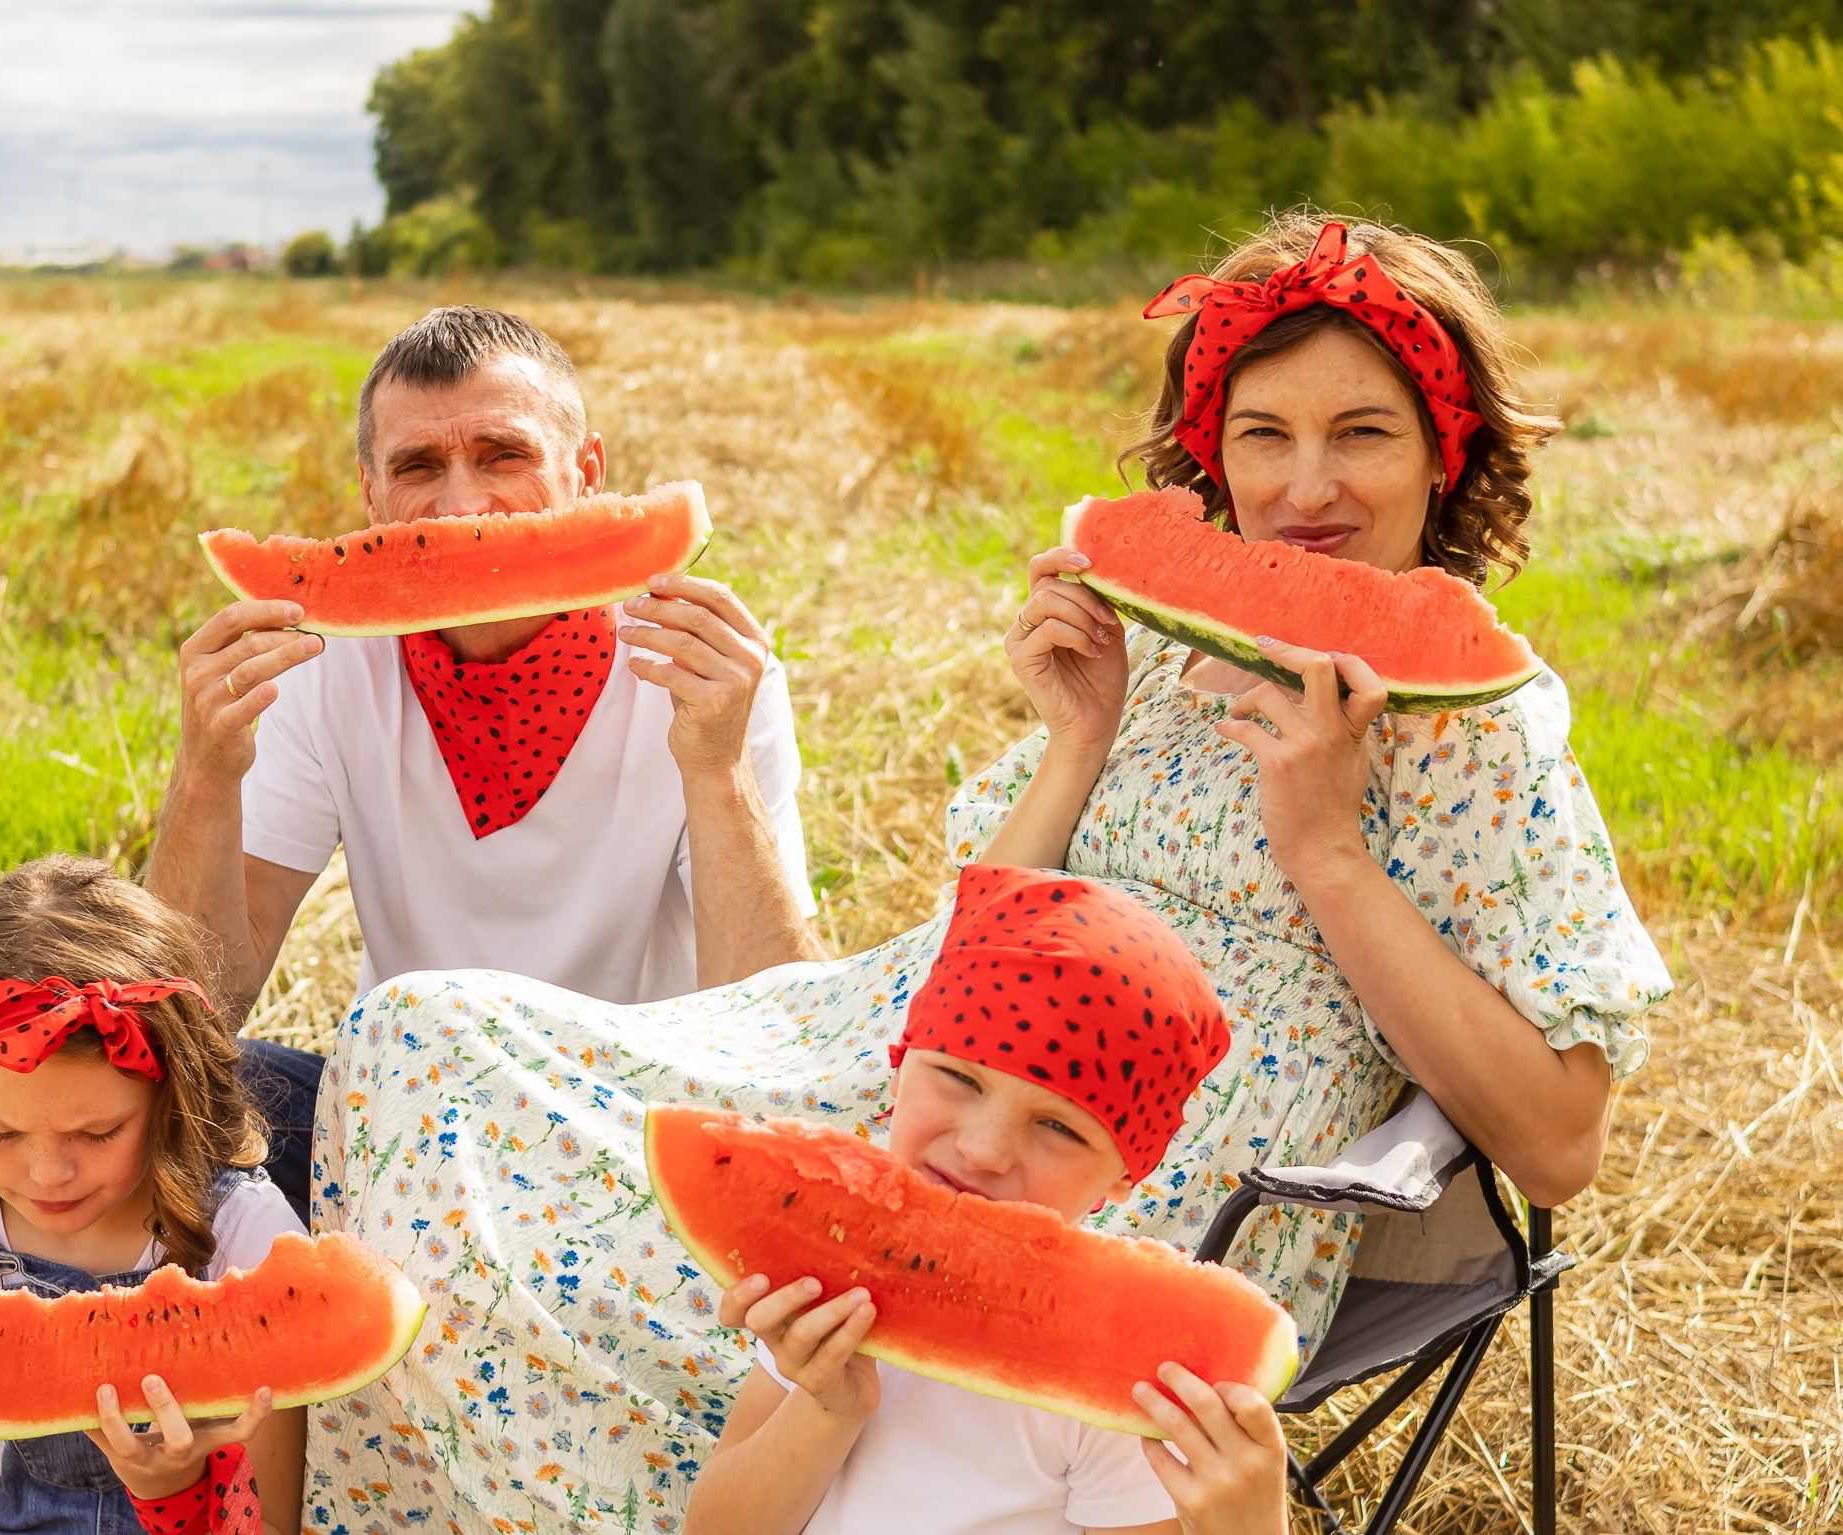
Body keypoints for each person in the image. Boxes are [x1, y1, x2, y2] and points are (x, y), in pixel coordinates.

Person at [297, 213, 1670, 1533]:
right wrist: (1078, 741)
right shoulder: (1168, 660)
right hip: (909, 1056)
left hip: (1120, 1163)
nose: (1305, 487)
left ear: (1446, 454)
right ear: (1214, 454)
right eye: (1266, 434)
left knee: (599, 1276)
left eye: (1361, 433)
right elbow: (974, 942)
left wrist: (1325, 848)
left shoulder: (1487, 729)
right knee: (409, 1031)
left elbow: (1557, 1137)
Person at [143, 305, 821, 1221]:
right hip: (409, 1121)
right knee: (141, 1093)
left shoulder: (703, 669)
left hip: (631, 1125)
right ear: (372, 499)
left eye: (503, 454)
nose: (461, 507)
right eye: (419, 467)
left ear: (586, 475)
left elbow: (778, 1033)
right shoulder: (322, 664)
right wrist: (204, 775)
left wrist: (716, 767)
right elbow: (200, 1008)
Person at [688, 863, 1284, 1535]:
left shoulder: (1125, 1380)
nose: (984, 1149)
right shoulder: (829, 1270)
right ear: (902, 1060)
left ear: (1124, 1176)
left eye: (1058, 1126)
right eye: (958, 1077)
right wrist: (828, 1408)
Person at [0, 857, 306, 1535]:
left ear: (171, 1103)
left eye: (96, 1132)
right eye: (0, 1130)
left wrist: (173, 1491)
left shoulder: (248, 1236)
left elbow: (275, 1526)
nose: (47, 1172)